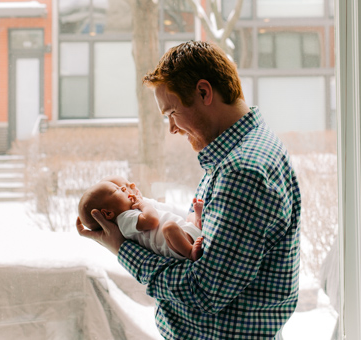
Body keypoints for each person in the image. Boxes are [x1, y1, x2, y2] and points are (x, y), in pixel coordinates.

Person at [76, 40, 301, 339]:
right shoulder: (245, 152)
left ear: (204, 92)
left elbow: (205, 292)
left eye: (171, 112)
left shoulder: (242, 172)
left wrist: (122, 247)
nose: (171, 128)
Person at [78, 177, 204, 260]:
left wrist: (141, 201)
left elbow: (160, 208)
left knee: (189, 216)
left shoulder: (132, 210)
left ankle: (197, 221)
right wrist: (143, 204)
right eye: (117, 190)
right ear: (108, 213)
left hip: (184, 231)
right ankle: (190, 253)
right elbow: (151, 220)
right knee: (169, 227)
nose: (123, 188)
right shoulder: (124, 220)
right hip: (176, 246)